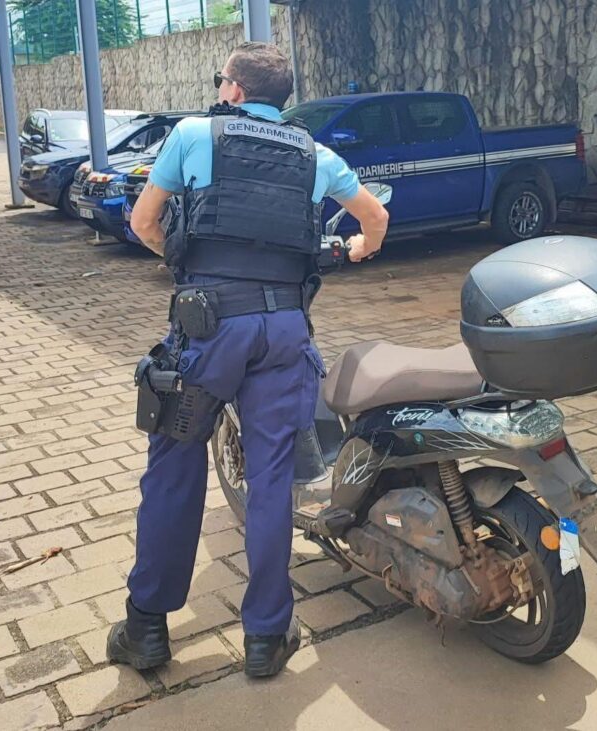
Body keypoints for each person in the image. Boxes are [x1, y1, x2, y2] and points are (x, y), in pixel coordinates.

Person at [108, 42, 388, 678]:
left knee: (175, 472)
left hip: (209, 332)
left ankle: (147, 627)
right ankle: (266, 637)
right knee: (271, 481)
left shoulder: (191, 134)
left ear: (233, 89)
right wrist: (359, 248)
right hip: (285, 333)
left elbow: (145, 222)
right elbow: (375, 218)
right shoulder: (316, 154)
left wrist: (181, 264)